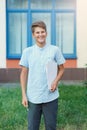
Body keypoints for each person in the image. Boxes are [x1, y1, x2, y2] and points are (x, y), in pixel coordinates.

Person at [19, 21, 65, 130]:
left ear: (46, 33)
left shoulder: (55, 50)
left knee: (51, 126)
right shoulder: (27, 52)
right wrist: (24, 95)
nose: (40, 35)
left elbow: (62, 68)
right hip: (33, 97)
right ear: (33, 35)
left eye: (43, 32)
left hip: (50, 96)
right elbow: (23, 74)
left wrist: (55, 81)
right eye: (37, 32)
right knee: (32, 127)